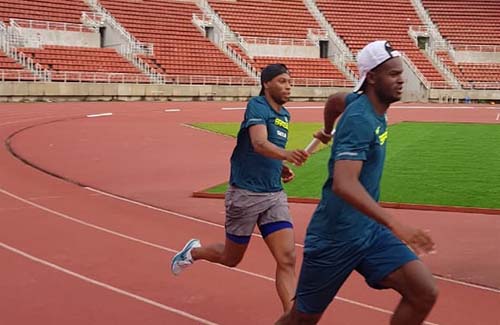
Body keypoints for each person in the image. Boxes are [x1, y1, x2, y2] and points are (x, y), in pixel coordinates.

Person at [277, 40, 438, 325]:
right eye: (393, 74)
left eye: (401, 73)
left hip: (368, 231)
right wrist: (396, 224)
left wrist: (326, 130)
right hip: (335, 238)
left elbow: (335, 101)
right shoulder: (360, 119)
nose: (401, 80)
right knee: (301, 319)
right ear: (372, 77)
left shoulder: (360, 102)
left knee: (423, 292)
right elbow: (344, 183)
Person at [171, 63, 310, 312]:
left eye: (290, 81)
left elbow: (268, 150)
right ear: (266, 84)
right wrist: (287, 154)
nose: (288, 86)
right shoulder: (257, 106)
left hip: (273, 195)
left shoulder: (284, 116)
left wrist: (279, 166)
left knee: (288, 258)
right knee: (231, 258)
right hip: (245, 194)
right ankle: (194, 252)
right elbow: (258, 142)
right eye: (282, 81)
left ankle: (293, 318)